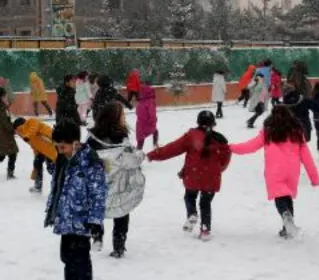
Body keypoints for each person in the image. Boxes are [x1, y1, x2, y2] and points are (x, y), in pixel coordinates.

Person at [229, 106, 319, 239]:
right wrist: (314, 178)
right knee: (287, 196)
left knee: (279, 196)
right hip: (292, 170)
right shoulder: (296, 132)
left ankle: (285, 215)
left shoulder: (268, 132)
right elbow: (306, 156)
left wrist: (231, 148)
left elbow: (250, 146)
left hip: (275, 170)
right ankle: (287, 227)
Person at [45, 120, 107, 280]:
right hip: (66, 218)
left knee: (80, 257)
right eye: (56, 147)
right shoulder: (63, 159)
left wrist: (96, 220)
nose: (59, 151)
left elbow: (99, 192)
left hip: (82, 219)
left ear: (76, 143)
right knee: (66, 255)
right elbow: (58, 183)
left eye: (62, 147)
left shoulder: (90, 161)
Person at [147, 110, 231, 240]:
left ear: (198, 122)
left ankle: (192, 213)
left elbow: (172, 149)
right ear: (213, 124)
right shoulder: (221, 140)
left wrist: (152, 155)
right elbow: (225, 160)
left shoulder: (191, 136)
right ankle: (205, 230)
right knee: (205, 202)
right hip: (211, 178)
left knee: (190, 197)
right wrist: (217, 170)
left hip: (193, 175)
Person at [87, 102, 145, 258]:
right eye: (122, 114)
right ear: (116, 117)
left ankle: (96, 235)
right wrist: (141, 156)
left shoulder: (92, 136)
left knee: (97, 208)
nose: (124, 117)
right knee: (121, 211)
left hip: (98, 182)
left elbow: (87, 157)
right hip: (119, 183)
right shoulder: (121, 136)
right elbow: (128, 160)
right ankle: (118, 246)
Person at [13, 117, 56, 194]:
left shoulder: (31, 122)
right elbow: (34, 145)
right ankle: (38, 186)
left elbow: (34, 128)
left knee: (52, 169)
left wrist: (28, 136)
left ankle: (61, 185)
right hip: (42, 150)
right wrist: (34, 170)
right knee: (37, 163)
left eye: (16, 130)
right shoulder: (24, 134)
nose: (17, 133)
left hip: (51, 147)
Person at [135, 79, 158, 150]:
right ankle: (155, 144)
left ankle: (138, 151)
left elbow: (137, 112)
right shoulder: (150, 101)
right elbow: (152, 114)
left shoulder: (140, 102)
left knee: (140, 139)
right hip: (148, 122)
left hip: (140, 124)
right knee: (155, 131)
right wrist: (154, 120)